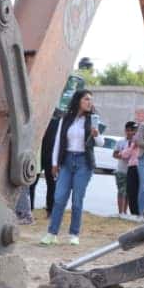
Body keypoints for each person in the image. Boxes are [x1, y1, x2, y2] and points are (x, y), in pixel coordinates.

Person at [40, 89, 100, 246]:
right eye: (86, 99)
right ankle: (51, 233)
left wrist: (96, 135)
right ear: (78, 100)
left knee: (77, 201)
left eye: (91, 100)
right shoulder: (66, 119)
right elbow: (58, 142)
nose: (89, 102)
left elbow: (100, 142)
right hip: (66, 160)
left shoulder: (93, 118)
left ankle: (74, 234)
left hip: (84, 162)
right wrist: (54, 163)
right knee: (59, 198)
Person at [113, 121, 140, 218]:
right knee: (121, 191)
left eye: (133, 130)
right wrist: (123, 155)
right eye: (128, 130)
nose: (131, 133)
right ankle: (121, 212)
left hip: (133, 171)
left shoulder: (137, 142)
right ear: (125, 131)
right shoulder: (121, 142)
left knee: (129, 192)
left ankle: (125, 212)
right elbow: (114, 154)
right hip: (122, 170)